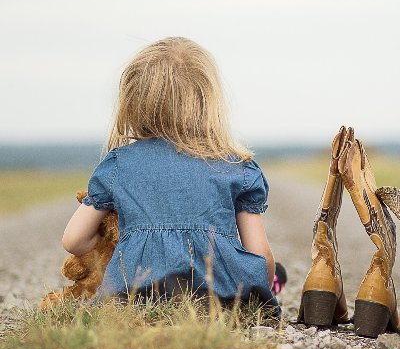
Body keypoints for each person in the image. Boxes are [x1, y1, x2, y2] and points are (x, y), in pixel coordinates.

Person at [62, 36, 283, 317]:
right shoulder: (236, 165)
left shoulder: (118, 164)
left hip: (131, 298)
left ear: (133, 102)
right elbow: (260, 255)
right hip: (222, 299)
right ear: (208, 102)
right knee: (274, 274)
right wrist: (263, 290)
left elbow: (73, 240)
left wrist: (120, 245)